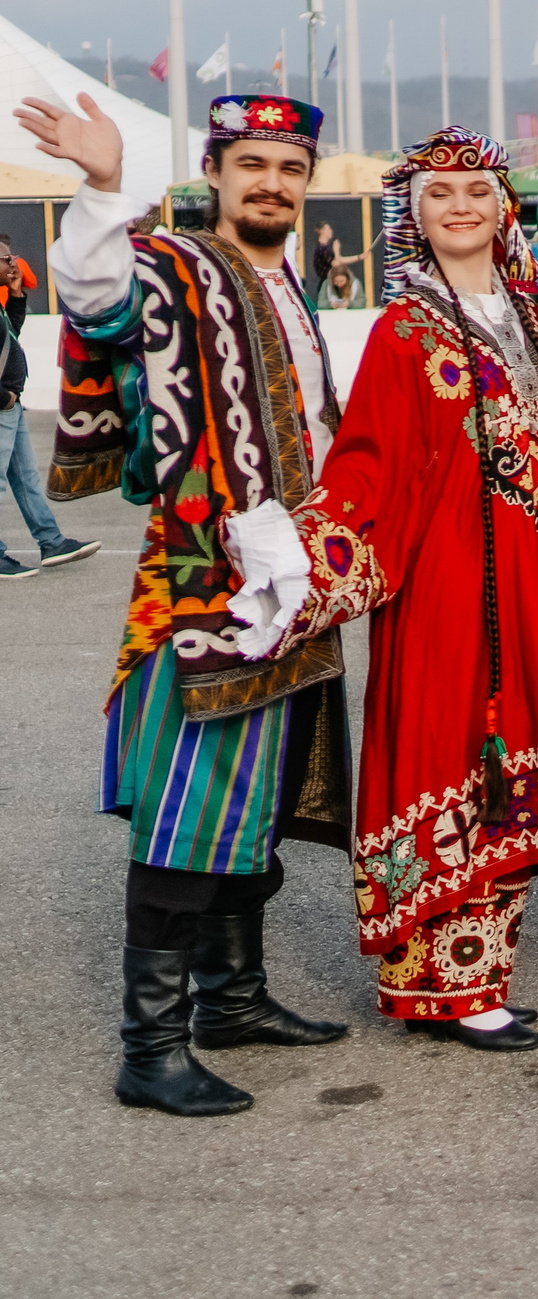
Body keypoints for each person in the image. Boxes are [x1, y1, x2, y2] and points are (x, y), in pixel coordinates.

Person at [222, 127, 538, 1052]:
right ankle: (444, 982)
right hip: (444, 589)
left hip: (527, 582)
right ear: (414, 218)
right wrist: (298, 551)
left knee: (507, 766)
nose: (461, 204)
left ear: (504, 205)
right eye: (439, 194)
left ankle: (477, 971)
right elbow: (367, 474)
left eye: (476, 187)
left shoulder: (526, 318)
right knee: (448, 748)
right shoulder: (404, 330)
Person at [14, 90, 352, 1117]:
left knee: (255, 803)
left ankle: (234, 997)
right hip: (205, 586)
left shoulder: (285, 281)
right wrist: (105, 187)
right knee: (187, 809)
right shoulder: (179, 264)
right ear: (217, 171)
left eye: (290, 168)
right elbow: (99, 300)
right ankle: (148, 1049)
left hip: (293, 591)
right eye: (253, 164)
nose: (272, 184)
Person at [1, 247, 99, 578]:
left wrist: (16, 298)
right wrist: (3, 397)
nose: (13, 264)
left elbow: (11, 336)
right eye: (6, 259)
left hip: (11, 407)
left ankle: (51, 542)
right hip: (3, 405)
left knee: (26, 479)